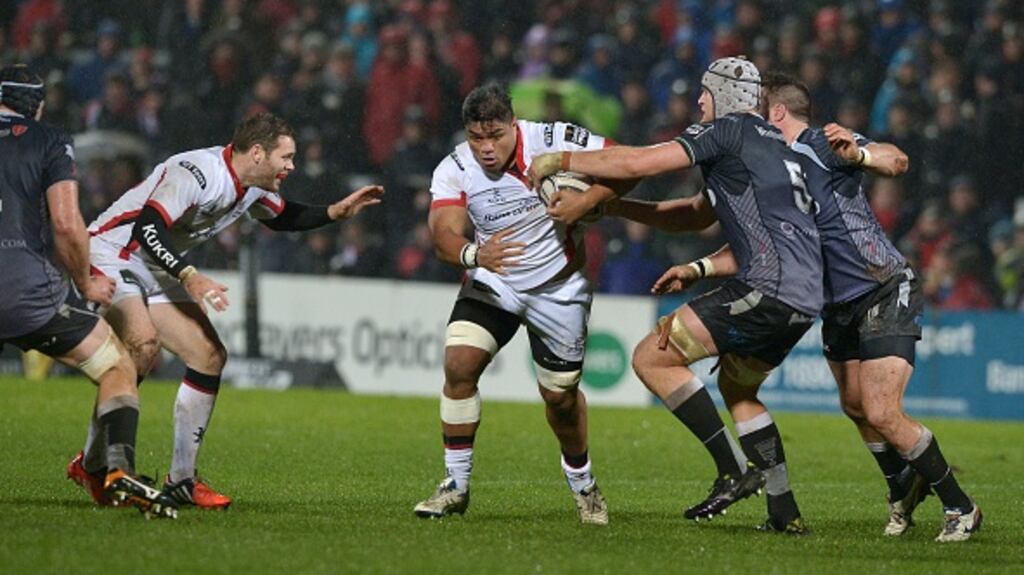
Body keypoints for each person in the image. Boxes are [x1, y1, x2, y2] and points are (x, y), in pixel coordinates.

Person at [529, 57, 823, 534]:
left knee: (652, 357)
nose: (698, 101)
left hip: (768, 285)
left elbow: (639, 161)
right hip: (805, 296)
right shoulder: (771, 147)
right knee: (739, 390)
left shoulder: (727, 130)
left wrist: (559, 161)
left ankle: (732, 470)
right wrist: (617, 205)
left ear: (725, 95)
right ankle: (784, 513)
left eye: (705, 92)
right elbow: (693, 214)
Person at [67, 112, 383, 510]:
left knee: (209, 356)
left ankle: (181, 480)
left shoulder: (252, 186)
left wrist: (334, 212)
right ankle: (95, 465)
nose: (291, 166)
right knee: (144, 347)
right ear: (256, 153)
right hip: (113, 254)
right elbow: (147, 228)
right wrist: (189, 276)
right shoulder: (197, 172)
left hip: (155, 266)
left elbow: (283, 216)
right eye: (286, 157)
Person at [758, 73, 978, 542]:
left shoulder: (823, 142)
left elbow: (896, 159)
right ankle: (902, 484)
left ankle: (961, 506)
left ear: (777, 112)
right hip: (837, 306)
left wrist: (859, 155)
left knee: (881, 411)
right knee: (855, 405)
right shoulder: (772, 166)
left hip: (882, 286)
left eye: (759, 109)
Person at [413, 83, 628, 525]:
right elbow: (442, 233)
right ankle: (455, 485)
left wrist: (587, 200)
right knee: (459, 364)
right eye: (476, 137)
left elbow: (627, 162)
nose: (486, 148)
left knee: (560, 399)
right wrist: (475, 255)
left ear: (515, 125)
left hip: (559, 287)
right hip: (496, 280)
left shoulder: (553, 140)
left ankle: (584, 485)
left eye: (495, 136)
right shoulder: (454, 167)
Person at [0, 64, 175, 519]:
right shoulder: (48, 140)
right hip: (27, 297)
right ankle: (117, 469)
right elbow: (65, 223)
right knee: (117, 364)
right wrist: (85, 281)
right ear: (35, 105)